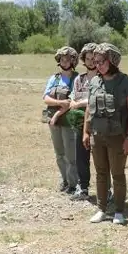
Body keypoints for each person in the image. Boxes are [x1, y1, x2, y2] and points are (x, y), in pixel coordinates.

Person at [83, 43, 128, 225]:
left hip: (117, 137)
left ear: (112, 61)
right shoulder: (94, 82)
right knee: (100, 173)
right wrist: (86, 132)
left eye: (101, 61)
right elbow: (89, 111)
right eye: (95, 61)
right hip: (97, 135)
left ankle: (119, 211)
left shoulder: (125, 82)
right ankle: (101, 209)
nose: (97, 65)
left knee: (117, 173)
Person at [42, 46, 80, 195]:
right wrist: (59, 104)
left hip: (69, 121)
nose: (65, 61)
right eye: (62, 59)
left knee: (71, 155)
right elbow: (45, 98)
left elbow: (72, 102)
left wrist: (58, 113)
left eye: (68, 58)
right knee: (59, 153)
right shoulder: (54, 78)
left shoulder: (77, 78)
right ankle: (64, 180)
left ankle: (73, 184)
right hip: (53, 121)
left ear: (73, 60)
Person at [67, 43, 99, 201]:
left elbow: (95, 100)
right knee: (81, 156)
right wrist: (73, 101)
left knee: (102, 158)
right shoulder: (79, 79)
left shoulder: (103, 78)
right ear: (83, 60)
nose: (92, 61)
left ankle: (107, 190)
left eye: (94, 58)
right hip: (81, 123)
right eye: (88, 58)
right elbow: (73, 95)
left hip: (100, 124)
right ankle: (83, 187)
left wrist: (79, 103)